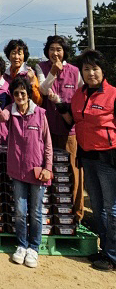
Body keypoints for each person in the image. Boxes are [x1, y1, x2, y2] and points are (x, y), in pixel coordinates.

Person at [0, 76, 53, 269]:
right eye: (16, 93)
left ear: (28, 94)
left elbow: (48, 145)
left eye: (23, 93)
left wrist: (48, 168)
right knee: (20, 210)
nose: (19, 96)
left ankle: (34, 247)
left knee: (35, 212)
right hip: (17, 170)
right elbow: (2, 119)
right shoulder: (11, 111)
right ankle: (22, 245)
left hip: (37, 171)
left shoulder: (40, 114)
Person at [70, 49, 116, 271]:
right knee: (98, 208)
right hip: (87, 156)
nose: (90, 73)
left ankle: (112, 255)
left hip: (108, 159)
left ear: (102, 70)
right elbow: (74, 119)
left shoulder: (113, 94)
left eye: (94, 69)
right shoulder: (79, 95)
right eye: (86, 69)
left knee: (111, 207)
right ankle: (104, 248)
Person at [35, 35, 85, 223]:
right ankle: (52, 215)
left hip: (70, 132)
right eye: (52, 49)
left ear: (65, 51)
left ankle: (76, 215)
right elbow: (42, 90)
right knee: (50, 171)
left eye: (59, 49)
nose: (55, 53)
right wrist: (53, 73)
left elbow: (81, 94)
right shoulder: (42, 67)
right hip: (47, 130)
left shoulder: (75, 71)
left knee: (74, 173)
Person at [3, 39, 42, 105]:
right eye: (13, 53)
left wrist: (32, 82)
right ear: (8, 55)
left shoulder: (29, 74)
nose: (16, 57)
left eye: (19, 54)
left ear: (24, 56)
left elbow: (38, 101)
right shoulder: (4, 75)